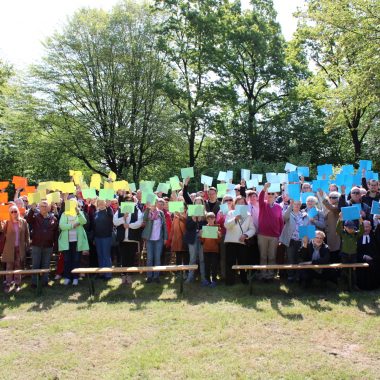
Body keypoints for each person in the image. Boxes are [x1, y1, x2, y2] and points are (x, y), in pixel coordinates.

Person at [26, 200, 59, 287]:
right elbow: (28, 219)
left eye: (45, 206)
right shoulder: (35, 217)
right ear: (39, 207)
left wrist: (55, 246)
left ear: (49, 208)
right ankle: (34, 283)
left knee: (46, 264)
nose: (44, 208)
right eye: (42, 206)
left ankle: (45, 281)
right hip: (37, 245)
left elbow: (56, 234)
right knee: (35, 264)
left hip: (48, 246)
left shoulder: (53, 218)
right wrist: (32, 210)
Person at [224, 196, 255, 285]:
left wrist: (246, 235)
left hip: (242, 242)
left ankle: (244, 280)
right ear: (235, 204)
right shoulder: (230, 213)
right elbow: (226, 225)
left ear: (245, 204)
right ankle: (230, 281)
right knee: (230, 263)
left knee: (243, 262)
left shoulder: (248, 215)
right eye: (239, 203)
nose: (241, 204)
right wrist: (235, 219)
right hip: (231, 241)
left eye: (243, 203)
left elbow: (252, 229)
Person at [113, 196, 143, 285]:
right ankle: (123, 276)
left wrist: (129, 225)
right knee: (123, 258)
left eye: (130, 201)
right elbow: (115, 222)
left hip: (132, 239)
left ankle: (129, 275)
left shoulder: (137, 210)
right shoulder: (119, 210)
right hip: (122, 239)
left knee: (131, 258)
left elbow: (139, 223)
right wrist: (123, 218)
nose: (128, 202)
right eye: (126, 201)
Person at [58, 199, 89, 285]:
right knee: (67, 260)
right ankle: (68, 277)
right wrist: (72, 225)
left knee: (76, 259)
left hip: (77, 241)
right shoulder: (64, 214)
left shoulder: (80, 213)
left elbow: (84, 221)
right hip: (66, 241)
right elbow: (62, 226)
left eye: (73, 203)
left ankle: (75, 278)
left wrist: (78, 213)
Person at [257, 183, 284, 280]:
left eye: (272, 194)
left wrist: (280, 236)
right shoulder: (263, 204)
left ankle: (271, 274)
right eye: (269, 193)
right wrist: (265, 188)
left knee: (272, 256)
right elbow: (260, 198)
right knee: (263, 256)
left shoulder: (278, 207)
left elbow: (281, 222)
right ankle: (263, 274)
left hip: (274, 236)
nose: (270, 195)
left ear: (276, 195)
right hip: (262, 235)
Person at [0, 205, 30, 293]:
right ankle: (8, 284)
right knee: (9, 267)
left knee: (18, 266)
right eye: (12, 211)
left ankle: (17, 284)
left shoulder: (23, 222)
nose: (14, 213)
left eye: (15, 211)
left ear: (18, 212)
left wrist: (27, 245)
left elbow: (27, 235)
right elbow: (2, 231)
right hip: (9, 248)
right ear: (10, 213)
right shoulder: (7, 222)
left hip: (19, 248)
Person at [279, 200, 308, 281]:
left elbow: (307, 226)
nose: (297, 205)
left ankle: (298, 276)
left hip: (301, 240)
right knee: (290, 258)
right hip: (290, 240)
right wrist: (290, 205)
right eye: (295, 204)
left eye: (299, 204)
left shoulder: (304, 215)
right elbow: (284, 217)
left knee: (299, 259)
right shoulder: (289, 214)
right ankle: (291, 276)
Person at [142, 198, 168, 283]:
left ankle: (156, 276)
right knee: (149, 258)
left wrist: (165, 238)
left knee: (157, 258)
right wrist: (148, 209)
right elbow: (144, 219)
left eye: (155, 202)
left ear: (156, 203)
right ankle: (149, 276)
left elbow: (164, 226)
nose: (154, 204)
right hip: (150, 239)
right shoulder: (148, 211)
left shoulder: (161, 213)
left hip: (159, 239)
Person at [184, 196, 207, 284]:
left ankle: (203, 278)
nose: (198, 204)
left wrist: (201, 222)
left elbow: (207, 225)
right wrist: (193, 220)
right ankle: (190, 277)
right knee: (192, 258)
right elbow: (187, 227)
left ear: (202, 204)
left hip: (202, 238)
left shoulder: (205, 214)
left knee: (202, 258)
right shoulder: (190, 212)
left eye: (199, 202)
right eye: (196, 202)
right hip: (192, 238)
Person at [336, 217, 364, 289]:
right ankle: (345, 285)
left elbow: (361, 231)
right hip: (344, 255)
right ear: (345, 227)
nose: (351, 229)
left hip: (353, 255)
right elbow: (337, 229)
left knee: (353, 270)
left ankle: (354, 285)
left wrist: (361, 223)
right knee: (345, 270)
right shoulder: (343, 233)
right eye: (349, 228)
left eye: (353, 228)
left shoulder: (355, 234)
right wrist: (340, 219)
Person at [92, 199, 114, 280]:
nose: (101, 203)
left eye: (102, 202)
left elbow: (111, 217)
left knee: (106, 255)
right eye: (99, 202)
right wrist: (94, 237)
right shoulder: (96, 213)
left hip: (106, 237)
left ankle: (108, 274)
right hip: (98, 237)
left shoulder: (109, 211)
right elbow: (94, 226)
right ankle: (101, 273)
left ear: (105, 203)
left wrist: (108, 206)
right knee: (100, 255)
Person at [318, 190, 341, 262]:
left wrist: (322, 196)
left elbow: (331, 207)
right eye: (330, 197)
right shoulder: (328, 207)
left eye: (334, 197)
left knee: (334, 254)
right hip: (328, 234)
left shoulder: (338, 206)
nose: (331, 199)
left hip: (335, 235)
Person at [356, 220, 379, 290]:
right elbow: (355, 251)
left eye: (367, 227)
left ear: (370, 227)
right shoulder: (357, 238)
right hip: (360, 259)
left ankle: (374, 286)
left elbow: (377, 250)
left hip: (373, 259)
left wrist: (372, 257)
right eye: (364, 227)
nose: (365, 229)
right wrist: (363, 256)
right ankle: (361, 286)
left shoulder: (374, 237)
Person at [200, 212, 221, 287]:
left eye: (212, 218)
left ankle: (214, 280)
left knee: (214, 266)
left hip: (214, 250)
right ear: (206, 219)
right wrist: (201, 235)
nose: (210, 220)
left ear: (215, 219)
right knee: (207, 266)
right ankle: (207, 280)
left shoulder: (218, 228)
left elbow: (218, 241)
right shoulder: (204, 228)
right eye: (208, 218)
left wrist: (218, 235)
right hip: (206, 250)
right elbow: (202, 241)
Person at [169, 202, 189, 270]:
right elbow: (172, 228)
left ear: (185, 208)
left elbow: (186, 221)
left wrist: (180, 216)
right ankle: (178, 272)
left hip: (184, 240)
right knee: (178, 257)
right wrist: (170, 239)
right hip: (177, 240)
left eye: (182, 207)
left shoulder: (187, 215)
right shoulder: (175, 217)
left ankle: (186, 272)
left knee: (186, 257)